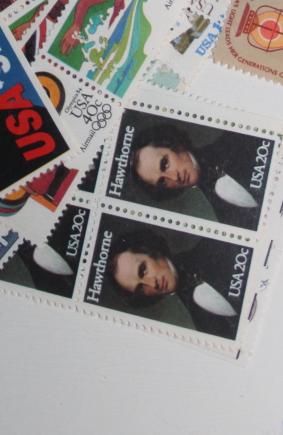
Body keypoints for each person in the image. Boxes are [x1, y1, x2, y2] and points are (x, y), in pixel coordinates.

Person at [129, 120, 265, 231]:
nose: (174, 178)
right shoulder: (221, 214)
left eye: (165, 164)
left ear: (174, 145)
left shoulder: (239, 138)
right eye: (162, 181)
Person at [105, 228, 240, 335]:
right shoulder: (200, 322)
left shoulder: (217, 246)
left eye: (143, 270)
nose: (152, 284)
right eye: (140, 288)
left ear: (152, 251)